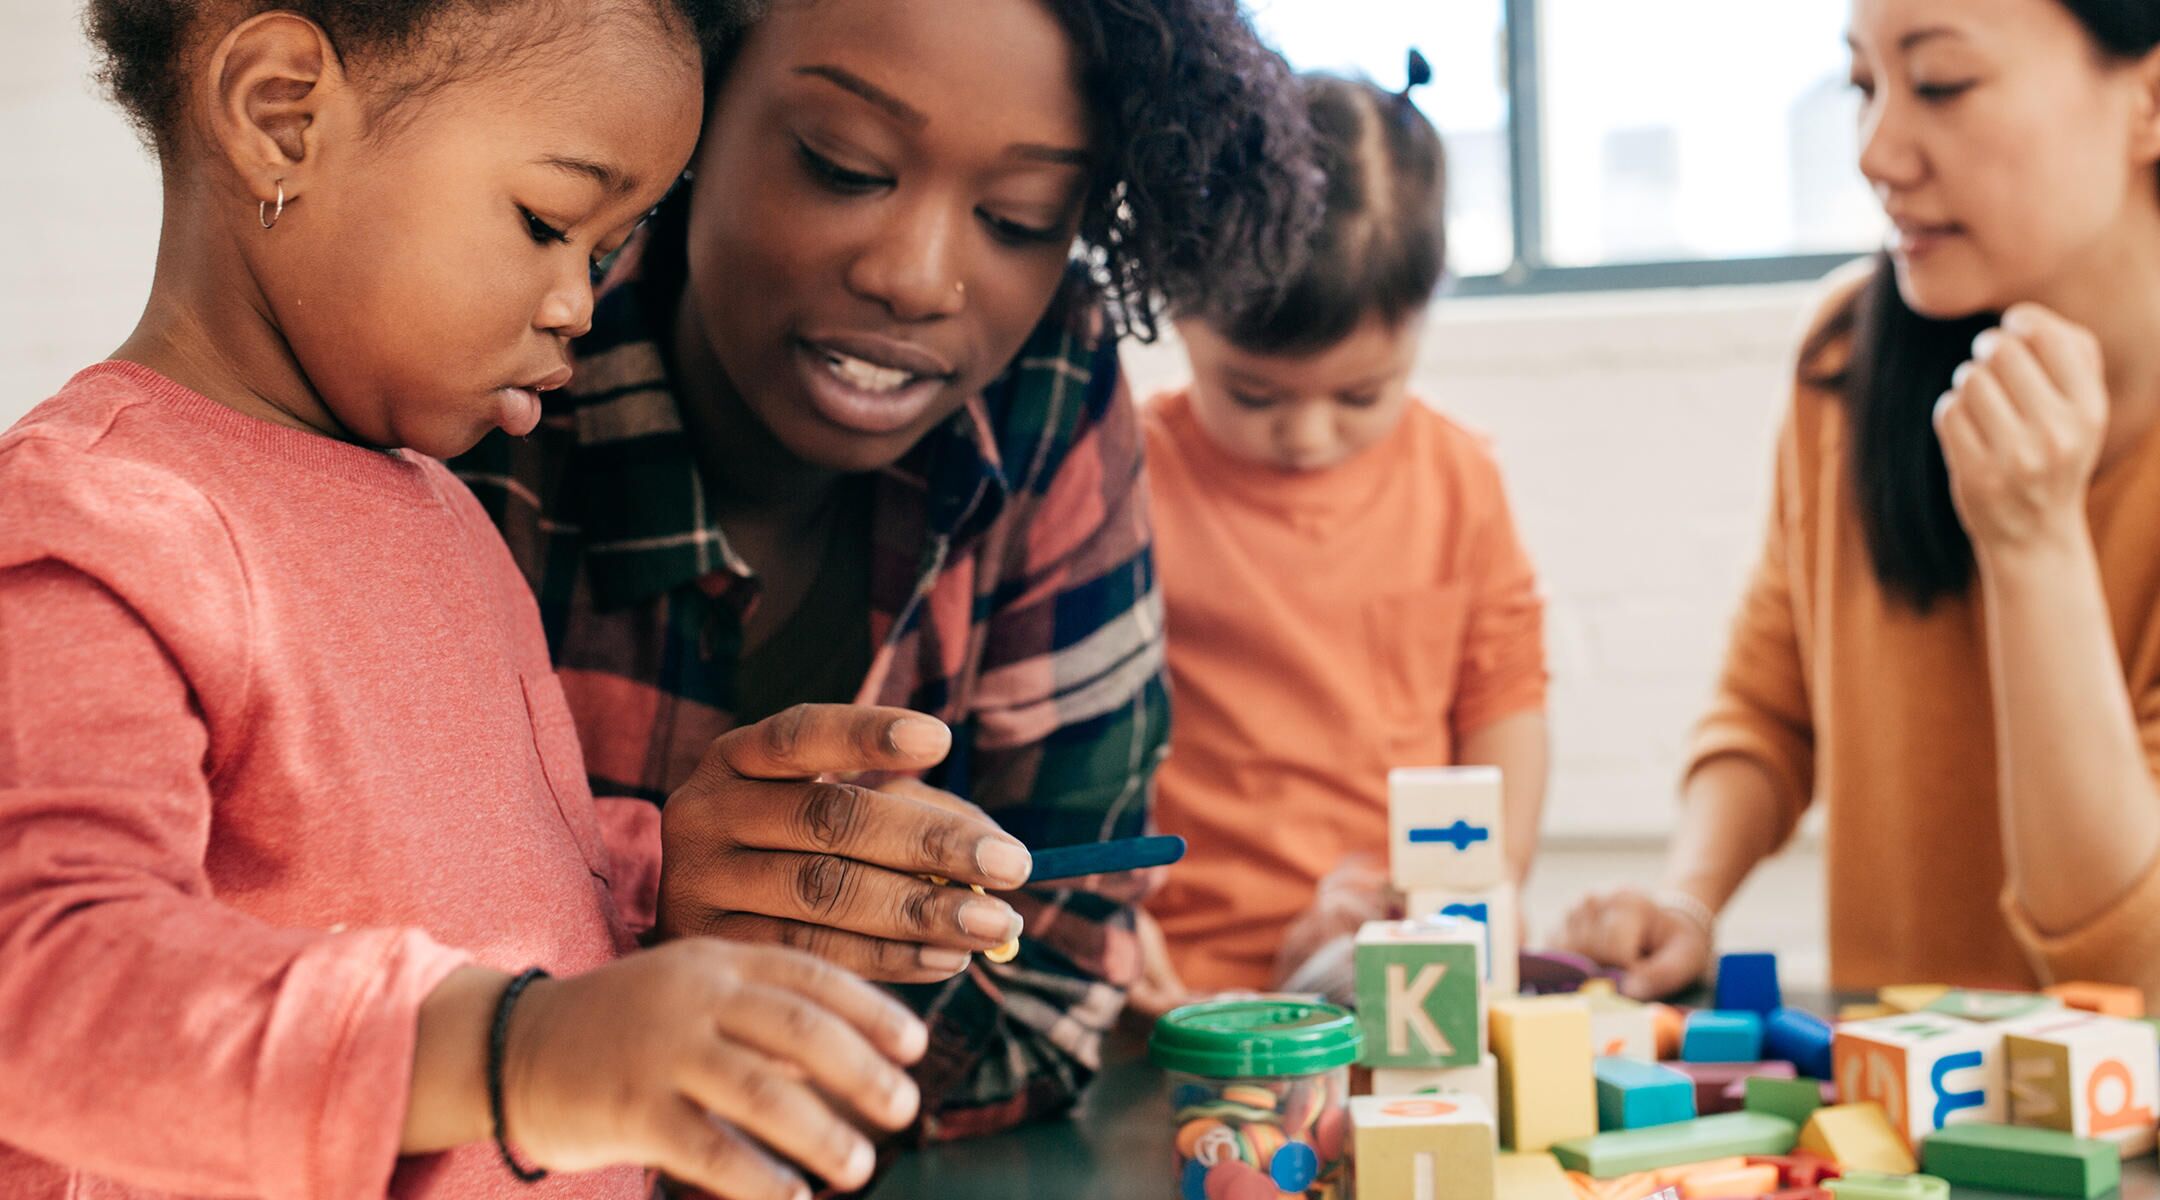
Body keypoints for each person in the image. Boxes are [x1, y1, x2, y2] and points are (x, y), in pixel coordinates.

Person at [0, 3, 927, 1197]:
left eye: (604, 252)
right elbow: (43, 983)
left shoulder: (446, 516)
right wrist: (518, 1051)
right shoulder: (100, 517)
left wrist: (669, 888)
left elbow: (450, 881)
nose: (577, 305)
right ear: (280, 114)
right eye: (546, 222)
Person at [450, 0, 1325, 1139]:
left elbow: (1058, 986)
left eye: (1018, 219)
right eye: (842, 165)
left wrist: (904, 952)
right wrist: (653, 932)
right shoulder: (483, 380)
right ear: (693, 106)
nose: (918, 277)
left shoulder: (1049, 380)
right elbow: (334, 982)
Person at [1560, 0, 2160, 1006]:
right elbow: (1770, 700)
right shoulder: (1848, 355)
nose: (1877, 152)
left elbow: (2125, 972)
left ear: (2147, 98)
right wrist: (1689, 900)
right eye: (1861, 86)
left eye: (1940, 85)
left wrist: (2032, 543)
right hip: (1890, 1135)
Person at [1134, 56, 1551, 1006]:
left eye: (1362, 394)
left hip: (1400, 975)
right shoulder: (1127, 477)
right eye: (1254, 393)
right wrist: (1097, 920)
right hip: (1184, 991)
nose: (1309, 434)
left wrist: (1492, 885)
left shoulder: (1458, 480)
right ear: (1181, 309)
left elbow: (1506, 698)